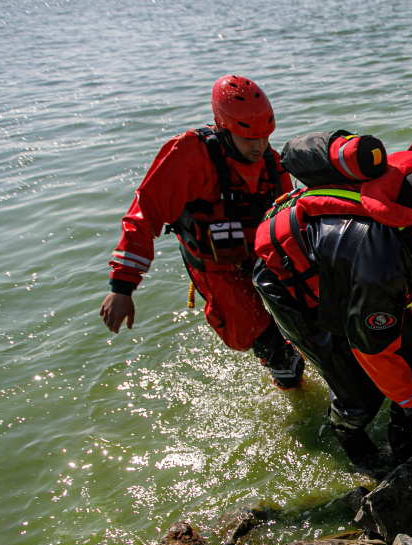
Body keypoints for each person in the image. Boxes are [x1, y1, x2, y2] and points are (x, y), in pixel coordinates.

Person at [253, 141, 412, 466]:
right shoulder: (384, 263)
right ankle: (346, 434)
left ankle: (404, 440)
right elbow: (372, 349)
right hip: (288, 276)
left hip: (348, 261)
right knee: (360, 394)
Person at [99, 75, 304, 388]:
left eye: (265, 136)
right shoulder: (188, 155)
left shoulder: (270, 161)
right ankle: (287, 377)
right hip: (215, 266)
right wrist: (122, 287)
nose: (259, 146)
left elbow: (288, 217)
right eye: (249, 139)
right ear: (224, 127)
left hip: (260, 255)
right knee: (266, 342)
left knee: (306, 316)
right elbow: (144, 213)